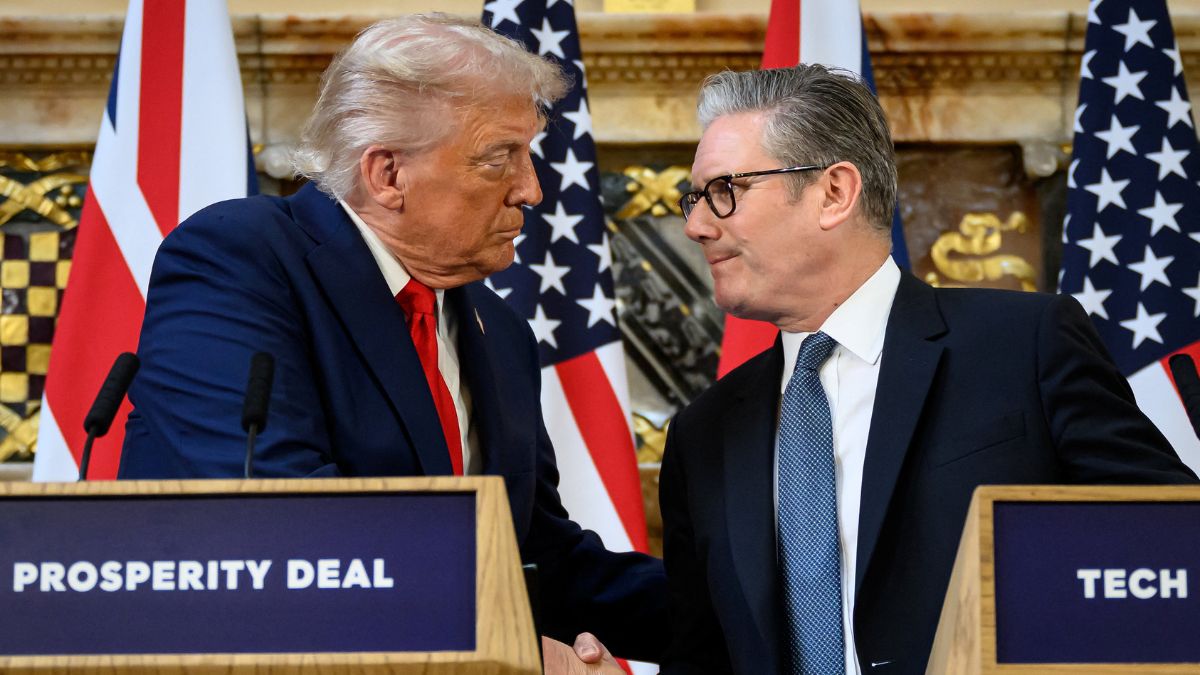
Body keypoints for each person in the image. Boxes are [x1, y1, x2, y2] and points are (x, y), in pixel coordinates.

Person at [117, 14, 665, 665]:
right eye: (501, 159)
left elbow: (535, 556)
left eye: (530, 155)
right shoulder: (242, 259)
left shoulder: (502, 333)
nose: (532, 189)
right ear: (387, 175)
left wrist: (771, 609)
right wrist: (511, 647)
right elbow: (277, 519)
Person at [657, 64, 1197, 675]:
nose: (697, 225)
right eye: (694, 198)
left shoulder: (1024, 346)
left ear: (834, 192)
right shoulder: (703, 434)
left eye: (726, 190)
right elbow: (700, 655)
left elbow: (1165, 558)